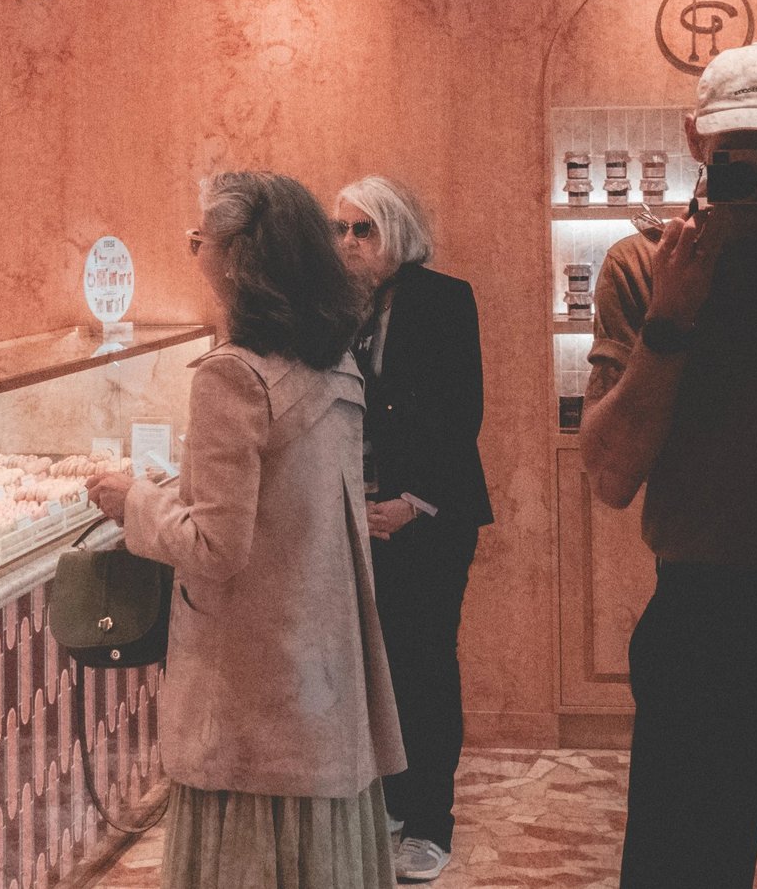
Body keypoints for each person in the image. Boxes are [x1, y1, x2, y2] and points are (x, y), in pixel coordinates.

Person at [579, 43, 757, 889]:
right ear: (696, 140)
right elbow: (610, 476)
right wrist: (672, 317)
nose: (756, 175)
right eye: (738, 154)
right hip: (700, 615)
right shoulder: (646, 264)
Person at [87, 170, 405, 889]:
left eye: (198, 240)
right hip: (320, 670)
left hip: (250, 687)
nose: (194, 253)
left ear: (233, 258)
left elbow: (215, 545)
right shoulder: (336, 366)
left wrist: (135, 501)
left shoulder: (229, 377)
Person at [332, 176, 492, 884]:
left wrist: (415, 501)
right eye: (340, 229)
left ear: (397, 232)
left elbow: (463, 414)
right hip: (361, 517)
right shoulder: (342, 309)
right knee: (380, 666)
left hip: (432, 517)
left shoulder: (444, 299)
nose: (348, 242)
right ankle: (393, 805)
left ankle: (431, 822)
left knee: (425, 666)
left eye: (362, 228)